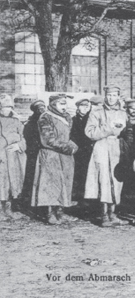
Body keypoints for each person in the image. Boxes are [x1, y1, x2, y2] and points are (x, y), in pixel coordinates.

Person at [84, 86, 129, 227]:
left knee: (116, 181)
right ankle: (104, 216)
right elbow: (89, 132)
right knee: (103, 180)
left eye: (114, 95)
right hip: (102, 147)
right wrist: (108, 129)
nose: (111, 98)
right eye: (109, 95)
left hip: (117, 148)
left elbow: (127, 131)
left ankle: (113, 214)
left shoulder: (123, 113)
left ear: (118, 96)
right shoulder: (96, 112)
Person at [31, 94, 79, 224]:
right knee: (51, 184)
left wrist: (72, 144)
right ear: (53, 104)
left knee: (65, 183)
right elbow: (48, 140)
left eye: (65, 104)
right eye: (61, 104)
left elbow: (66, 136)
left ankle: (60, 212)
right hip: (50, 154)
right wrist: (67, 147)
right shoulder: (45, 117)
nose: (64, 107)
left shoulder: (67, 117)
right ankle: (50, 214)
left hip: (65, 156)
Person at [0, 94, 26, 221]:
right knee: (2, 183)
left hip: (14, 158)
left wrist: (19, 145)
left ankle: (8, 208)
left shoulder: (17, 121)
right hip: (1, 157)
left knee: (12, 183)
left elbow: (23, 138)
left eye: (9, 107)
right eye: (4, 107)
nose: (7, 109)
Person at [22, 100, 46, 206]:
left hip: (45, 152)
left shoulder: (47, 120)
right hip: (33, 153)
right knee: (32, 176)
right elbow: (28, 138)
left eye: (43, 107)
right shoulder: (31, 123)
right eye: (39, 108)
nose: (41, 110)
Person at [70, 98, 92, 205]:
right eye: (82, 106)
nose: (85, 108)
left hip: (89, 150)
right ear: (78, 107)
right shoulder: (73, 120)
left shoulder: (91, 119)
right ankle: (79, 199)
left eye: (87, 106)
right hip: (78, 151)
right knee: (78, 175)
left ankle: (88, 200)